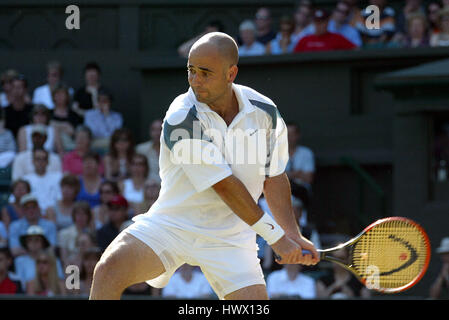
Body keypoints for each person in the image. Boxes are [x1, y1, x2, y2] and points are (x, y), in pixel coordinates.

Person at [89, 32, 319, 300]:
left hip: (232, 239)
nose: (195, 81)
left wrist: (292, 233)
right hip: (172, 225)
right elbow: (224, 186)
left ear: (231, 73)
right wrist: (276, 237)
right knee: (108, 270)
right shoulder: (181, 117)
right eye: (191, 71)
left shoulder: (265, 112)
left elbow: (274, 176)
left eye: (205, 73)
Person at [14, 225, 64, 291]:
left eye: (37, 240)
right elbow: (21, 284)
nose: (33, 243)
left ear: (43, 243)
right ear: (26, 243)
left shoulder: (54, 260)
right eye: (30, 240)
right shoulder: (19, 261)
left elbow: (59, 280)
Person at [285, 122, 315, 221]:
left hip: (300, 192)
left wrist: (287, 175)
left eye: (292, 134)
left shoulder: (306, 153)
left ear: (298, 135)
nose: (289, 137)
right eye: (286, 134)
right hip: (282, 190)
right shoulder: (275, 153)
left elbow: (308, 178)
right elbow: (271, 177)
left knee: (295, 204)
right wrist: (297, 173)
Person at [58, 201, 95, 268]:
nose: (81, 217)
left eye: (84, 214)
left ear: (88, 216)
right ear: (74, 216)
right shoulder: (64, 234)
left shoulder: (93, 233)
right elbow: (64, 259)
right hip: (71, 269)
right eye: (78, 214)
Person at [50, 85, 83, 154]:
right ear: (53, 97)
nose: (59, 97)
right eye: (57, 94)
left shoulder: (74, 115)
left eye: (62, 94)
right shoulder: (48, 113)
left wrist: (57, 125)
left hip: (69, 144)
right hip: (51, 144)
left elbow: (73, 132)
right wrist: (63, 126)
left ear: (67, 96)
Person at [136, 119, 163, 183]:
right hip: (147, 187)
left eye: (160, 130)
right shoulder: (141, 149)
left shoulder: (173, 151)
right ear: (150, 132)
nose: (157, 133)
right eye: (154, 130)